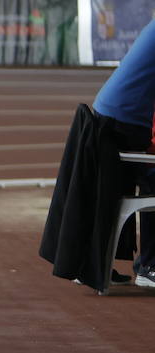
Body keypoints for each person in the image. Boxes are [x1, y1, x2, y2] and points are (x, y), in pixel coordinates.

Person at [41, 17, 155, 290]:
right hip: (123, 121)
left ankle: (113, 263)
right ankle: (149, 265)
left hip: (114, 115)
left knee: (140, 178)